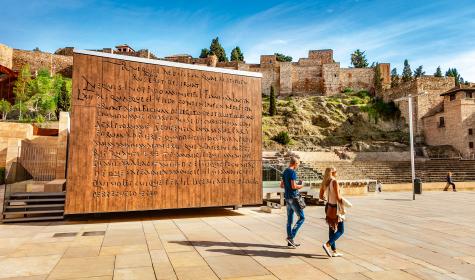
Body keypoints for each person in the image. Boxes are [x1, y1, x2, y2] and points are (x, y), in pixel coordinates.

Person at [319, 167, 345, 258]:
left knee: (332, 229)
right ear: (333, 173)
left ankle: (334, 251)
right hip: (335, 208)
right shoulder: (334, 181)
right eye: (336, 171)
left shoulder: (325, 182)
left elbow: (321, 196)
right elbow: (338, 197)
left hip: (328, 207)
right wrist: (344, 203)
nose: (337, 173)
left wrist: (328, 199)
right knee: (341, 230)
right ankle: (327, 245)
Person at [280, 157, 304, 248]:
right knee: (302, 218)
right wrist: (301, 186)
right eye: (298, 164)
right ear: (295, 163)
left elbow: (282, 185)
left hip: (287, 198)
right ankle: (291, 237)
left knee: (289, 220)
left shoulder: (285, 171)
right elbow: (294, 186)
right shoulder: (292, 172)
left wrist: (288, 186)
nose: (298, 166)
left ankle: (290, 242)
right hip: (293, 198)